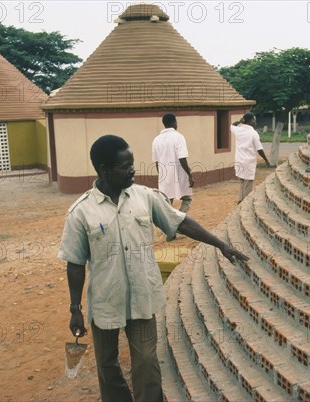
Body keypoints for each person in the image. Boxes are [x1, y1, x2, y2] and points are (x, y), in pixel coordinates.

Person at [59, 135, 248, 402]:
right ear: (104, 170)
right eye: (126, 166)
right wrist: (75, 309)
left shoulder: (145, 198)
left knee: (147, 361)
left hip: (143, 298)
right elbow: (75, 263)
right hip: (105, 302)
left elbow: (181, 222)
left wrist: (220, 244)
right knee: (107, 365)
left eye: (132, 163)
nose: (133, 170)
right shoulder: (81, 212)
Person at [152, 113, 193, 213]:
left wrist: (162, 175)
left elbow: (157, 162)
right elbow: (182, 159)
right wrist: (189, 175)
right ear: (174, 123)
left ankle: (170, 223)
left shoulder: (156, 140)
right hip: (180, 175)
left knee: (167, 203)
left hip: (164, 176)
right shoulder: (179, 137)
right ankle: (180, 221)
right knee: (187, 199)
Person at [231, 112, 270, 204]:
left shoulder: (238, 130)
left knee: (241, 181)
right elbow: (259, 149)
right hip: (248, 162)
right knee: (248, 182)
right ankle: (245, 203)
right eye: (254, 120)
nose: (255, 122)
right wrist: (266, 160)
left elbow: (231, 126)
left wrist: (239, 121)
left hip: (239, 160)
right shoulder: (253, 133)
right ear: (249, 121)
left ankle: (240, 200)